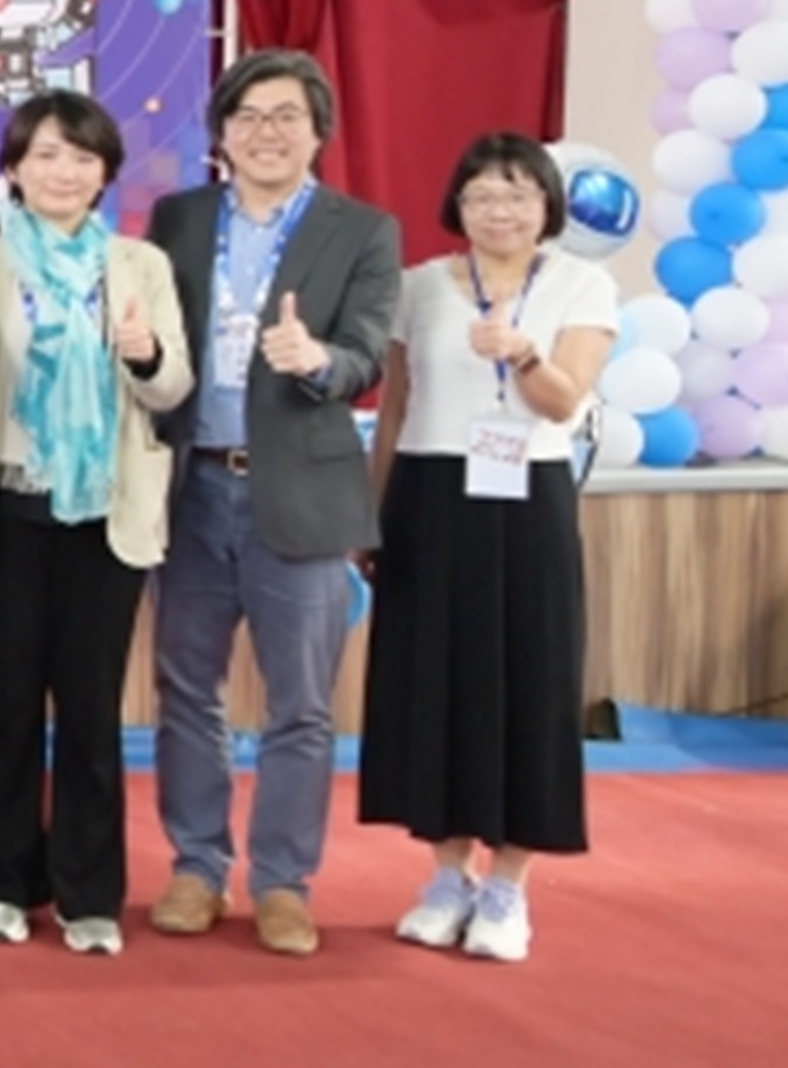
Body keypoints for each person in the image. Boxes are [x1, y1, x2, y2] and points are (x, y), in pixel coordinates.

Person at [146, 48, 402, 958]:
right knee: (186, 690)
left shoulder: (362, 230)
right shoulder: (177, 219)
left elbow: (365, 349)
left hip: (299, 486)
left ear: (316, 131)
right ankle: (195, 867)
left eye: (285, 115)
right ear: (220, 132)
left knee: (300, 703)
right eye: (247, 115)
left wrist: (318, 361)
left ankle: (283, 883)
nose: (265, 132)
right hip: (191, 487)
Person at [0, 92, 193, 956]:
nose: (64, 172)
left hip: (104, 514)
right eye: (46, 154)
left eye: (83, 158)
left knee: (90, 710)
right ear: (13, 168)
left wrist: (145, 355)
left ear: (105, 174)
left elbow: (172, 386)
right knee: (8, 705)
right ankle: (4, 885)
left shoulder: (138, 265)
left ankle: (90, 895)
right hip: (8, 507)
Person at [360, 133, 616, 963]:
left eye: (515, 194)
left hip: (527, 496)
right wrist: (371, 511)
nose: (497, 211)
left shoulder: (580, 284)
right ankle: (446, 875)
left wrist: (523, 352)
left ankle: (507, 885)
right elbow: (394, 409)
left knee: (529, 679)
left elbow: (562, 403)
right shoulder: (417, 287)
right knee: (430, 680)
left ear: (545, 204)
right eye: (479, 195)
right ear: (456, 206)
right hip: (429, 493)